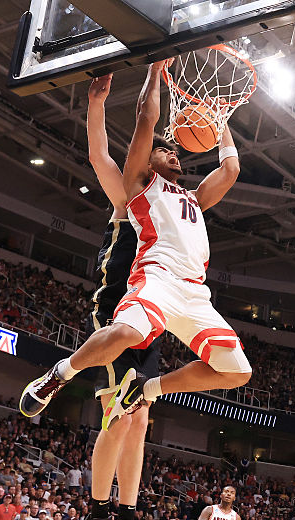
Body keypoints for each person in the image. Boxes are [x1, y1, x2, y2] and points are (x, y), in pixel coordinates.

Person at [20, 58, 251, 431]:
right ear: (148, 161)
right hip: (156, 278)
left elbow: (230, 170)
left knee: (237, 371)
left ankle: (148, 389)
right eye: (165, 151)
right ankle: (60, 373)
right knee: (126, 333)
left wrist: (220, 120)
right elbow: (144, 120)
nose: (175, 153)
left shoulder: (193, 197)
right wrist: (154, 71)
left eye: (174, 151)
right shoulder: (139, 188)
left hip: (195, 293)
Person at [61, 74, 158, 520]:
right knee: (120, 416)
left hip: (152, 321)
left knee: (140, 421)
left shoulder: (171, 210)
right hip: (117, 312)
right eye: (169, 156)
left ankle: (125, 514)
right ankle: (97, 514)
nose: (175, 162)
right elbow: (101, 155)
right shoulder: (128, 197)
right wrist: (97, 103)